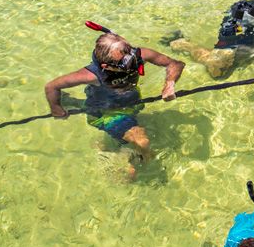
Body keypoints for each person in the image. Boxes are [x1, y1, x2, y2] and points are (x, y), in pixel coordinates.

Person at [44, 29, 185, 177]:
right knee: (142, 141)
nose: (132, 64)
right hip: (104, 112)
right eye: (125, 64)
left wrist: (169, 84)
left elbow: (175, 64)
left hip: (130, 102)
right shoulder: (91, 75)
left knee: (132, 136)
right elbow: (51, 86)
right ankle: (144, 165)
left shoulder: (138, 55)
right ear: (106, 66)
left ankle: (71, 102)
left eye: (131, 56)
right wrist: (56, 108)